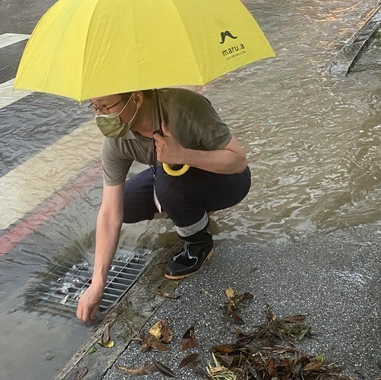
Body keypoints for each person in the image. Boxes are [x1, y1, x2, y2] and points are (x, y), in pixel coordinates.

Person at [76, 88, 251, 323]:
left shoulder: (187, 107)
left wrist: (183, 155)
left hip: (228, 179)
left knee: (169, 185)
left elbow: (238, 161)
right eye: (95, 107)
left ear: (136, 98)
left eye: (106, 107)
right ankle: (193, 209)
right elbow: (109, 212)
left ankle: (198, 244)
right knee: (126, 203)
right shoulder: (118, 140)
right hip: (175, 173)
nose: (101, 116)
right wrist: (98, 281)